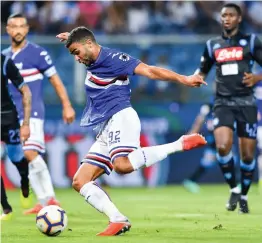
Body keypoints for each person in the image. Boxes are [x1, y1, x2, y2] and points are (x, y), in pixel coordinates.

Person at [56, 26, 207, 236]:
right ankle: (117, 219)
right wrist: (72, 39)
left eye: (76, 53)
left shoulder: (114, 59)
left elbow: (150, 71)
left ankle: (178, 144)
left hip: (122, 117)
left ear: (89, 44)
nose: (77, 59)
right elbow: (82, 39)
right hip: (106, 126)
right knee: (80, 181)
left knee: (122, 165)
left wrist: (184, 78)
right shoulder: (90, 55)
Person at [2, 13, 76, 215]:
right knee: (23, 157)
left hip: (31, 112)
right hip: (9, 115)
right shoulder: (5, 56)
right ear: (8, 29)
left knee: (29, 152)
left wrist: (66, 104)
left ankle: (50, 198)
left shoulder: (37, 53)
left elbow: (55, 79)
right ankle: (42, 201)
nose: (18, 30)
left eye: (22, 26)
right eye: (13, 26)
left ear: (27, 29)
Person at [196, 3, 262, 213]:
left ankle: (243, 194)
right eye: (224, 15)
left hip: (246, 102)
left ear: (239, 18)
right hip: (222, 102)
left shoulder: (251, 41)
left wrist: (257, 77)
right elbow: (202, 71)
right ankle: (233, 188)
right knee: (223, 147)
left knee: (248, 156)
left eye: (231, 15)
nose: (226, 18)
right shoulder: (212, 44)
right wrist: (192, 79)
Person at [1, 53, 32, 220]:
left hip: (7, 117)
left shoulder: (4, 61)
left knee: (16, 156)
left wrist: (25, 123)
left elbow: (25, 91)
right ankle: (6, 208)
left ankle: (25, 181)